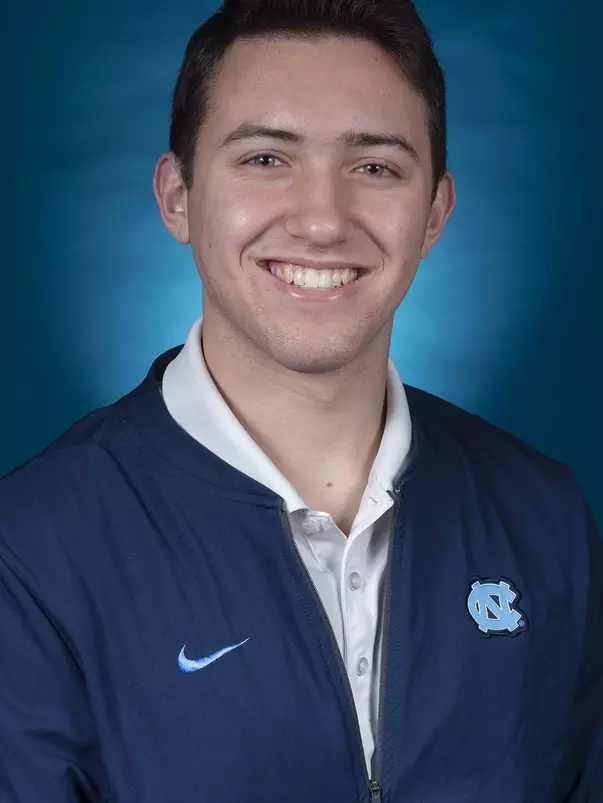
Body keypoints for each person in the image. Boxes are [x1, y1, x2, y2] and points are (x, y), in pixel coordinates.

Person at [1, 0, 601, 800]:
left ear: (434, 213)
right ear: (177, 195)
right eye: (264, 159)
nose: (322, 221)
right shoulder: (32, 549)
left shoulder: (543, 513)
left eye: (376, 167)